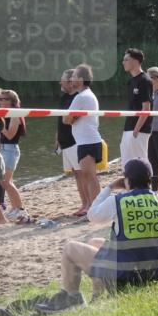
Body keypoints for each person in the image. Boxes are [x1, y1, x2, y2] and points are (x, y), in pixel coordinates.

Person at [35, 159, 158, 312]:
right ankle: (97, 296)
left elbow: (92, 215)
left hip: (129, 278)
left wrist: (110, 187)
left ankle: (72, 297)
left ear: (127, 180)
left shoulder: (120, 201)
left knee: (70, 248)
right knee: (95, 242)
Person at [64, 64, 102, 214]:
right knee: (88, 176)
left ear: (80, 79)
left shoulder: (81, 96)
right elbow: (68, 118)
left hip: (88, 141)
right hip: (87, 140)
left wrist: (72, 118)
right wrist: (73, 118)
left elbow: (66, 119)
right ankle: (94, 207)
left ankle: (95, 208)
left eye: (73, 77)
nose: (71, 79)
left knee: (89, 176)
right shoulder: (86, 95)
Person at [0, 89, 30, 223]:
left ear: (12, 101)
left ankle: (20, 209)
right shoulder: (4, 113)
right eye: (0, 99)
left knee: (6, 182)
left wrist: (0, 124)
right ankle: (16, 207)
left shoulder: (15, 114)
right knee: (5, 182)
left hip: (10, 149)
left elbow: (10, 135)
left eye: (5, 99)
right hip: (2, 148)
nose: (1, 101)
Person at [55, 70, 85, 211]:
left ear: (71, 82)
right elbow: (60, 120)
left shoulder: (78, 97)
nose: (60, 82)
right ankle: (84, 204)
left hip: (75, 140)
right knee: (76, 174)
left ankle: (88, 204)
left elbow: (74, 119)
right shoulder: (64, 97)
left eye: (63, 80)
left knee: (82, 174)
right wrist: (57, 137)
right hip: (65, 141)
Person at [119, 48, 152, 167]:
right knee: (126, 164)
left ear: (136, 61)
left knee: (140, 164)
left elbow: (146, 108)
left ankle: (144, 186)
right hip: (129, 128)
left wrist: (136, 131)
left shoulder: (144, 80)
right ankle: (130, 186)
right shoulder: (131, 81)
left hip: (138, 130)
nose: (123, 62)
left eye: (126, 60)